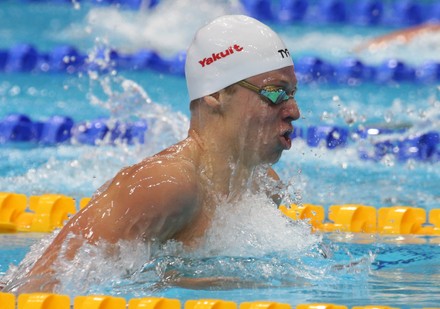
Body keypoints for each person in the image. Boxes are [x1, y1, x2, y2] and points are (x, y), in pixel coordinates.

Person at [3, 14, 300, 293]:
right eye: (274, 93)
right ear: (216, 95)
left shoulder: (262, 186)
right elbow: (36, 290)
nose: (294, 111)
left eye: (293, 94)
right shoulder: (167, 185)